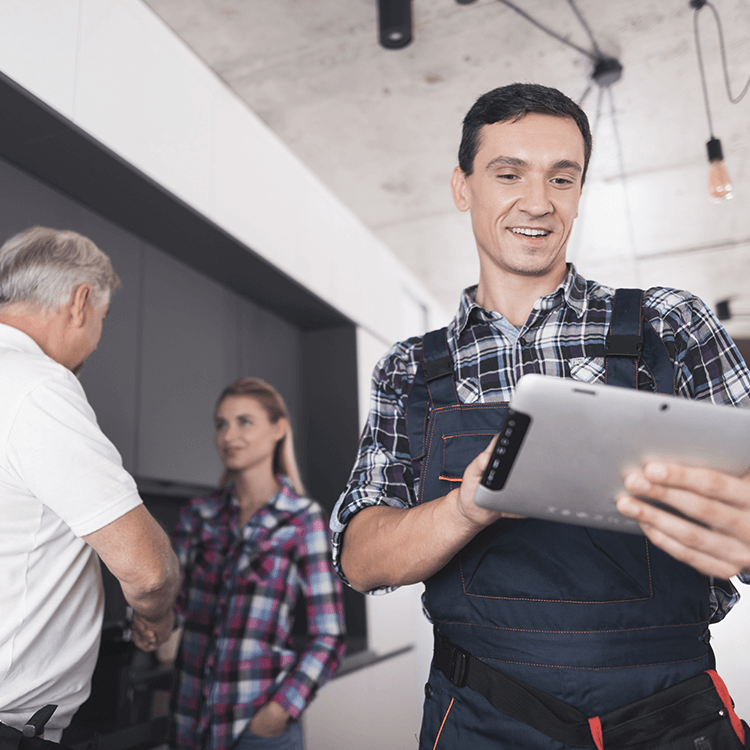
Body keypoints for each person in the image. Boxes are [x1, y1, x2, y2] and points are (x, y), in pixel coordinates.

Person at [331, 83, 750, 749]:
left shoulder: (668, 325)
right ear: (462, 186)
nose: (538, 201)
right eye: (508, 174)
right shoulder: (412, 369)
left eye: (563, 177)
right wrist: (468, 508)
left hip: (666, 713)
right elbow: (361, 561)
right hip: (480, 715)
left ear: (580, 193)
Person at [0, 226, 181, 740]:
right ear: (80, 302)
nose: (92, 347)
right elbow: (148, 572)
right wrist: (158, 616)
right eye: (100, 320)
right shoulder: (37, 385)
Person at [168, 377, 346, 750]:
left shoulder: (303, 519)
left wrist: (279, 711)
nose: (229, 435)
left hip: (258, 730)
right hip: (189, 724)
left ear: (278, 428)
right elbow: (172, 612)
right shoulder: (197, 516)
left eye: (244, 421)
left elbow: (329, 636)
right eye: (221, 424)